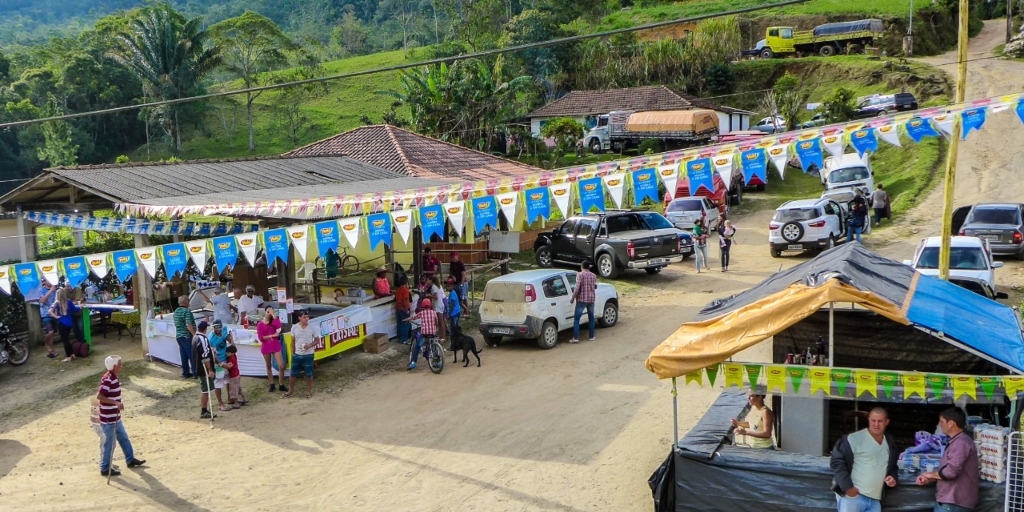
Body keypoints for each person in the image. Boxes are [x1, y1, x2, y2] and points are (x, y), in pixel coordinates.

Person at [830, 407, 898, 512]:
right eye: (873, 420)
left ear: (887, 422)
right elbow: (837, 462)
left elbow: (893, 465)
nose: (876, 424)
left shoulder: (889, 442)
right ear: (868, 420)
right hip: (854, 497)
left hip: (875, 500)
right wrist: (848, 488)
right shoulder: (853, 439)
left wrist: (892, 477)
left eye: (880, 421)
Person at [915, 408, 979, 512]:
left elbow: (950, 472)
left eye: (941, 421)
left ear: (951, 423)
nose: (940, 424)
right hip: (952, 502)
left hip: (954, 502)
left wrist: (929, 475)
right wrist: (931, 478)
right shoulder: (958, 441)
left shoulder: (961, 443)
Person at [96, 355, 146, 477]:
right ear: (114, 366)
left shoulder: (113, 377)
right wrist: (116, 403)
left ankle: (130, 459)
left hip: (114, 417)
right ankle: (105, 467)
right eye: (120, 363)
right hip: (109, 419)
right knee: (109, 444)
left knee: (123, 438)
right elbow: (100, 396)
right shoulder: (109, 379)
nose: (121, 365)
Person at [283, 311, 316, 399]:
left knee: (309, 374)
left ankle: (308, 391)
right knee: (293, 374)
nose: (306, 319)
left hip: (308, 354)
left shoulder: (313, 328)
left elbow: (317, 340)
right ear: (299, 318)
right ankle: (290, 390)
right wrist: (293, 353)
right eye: (304, 317)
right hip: (297, 354)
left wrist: (309, 345)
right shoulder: (294, 328)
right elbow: (292, 341)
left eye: (307, 317)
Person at [192, 321, 220, 419]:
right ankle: (204, 411)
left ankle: (204, 410)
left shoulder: (195, 337)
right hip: (203, 369)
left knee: (205, 390)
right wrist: (210, 370)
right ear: (205, 329)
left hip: (199, 367)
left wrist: (211, 352)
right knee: (206, 390)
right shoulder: (202, 338)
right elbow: (205, 357)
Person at [257, 306, 287, 393]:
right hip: (266, 346)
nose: (269, 314)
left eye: (271, 312)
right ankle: (272, 383)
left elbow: (279, 326)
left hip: (275, 345)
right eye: (268, 312)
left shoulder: (273, 322)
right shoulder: (260, 324)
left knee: (281, 365)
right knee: (268, 365)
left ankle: (281, 384)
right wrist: (272, 336)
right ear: (265, 312)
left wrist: (274, 315)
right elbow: (261, 337)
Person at [403, 298, 438, 371]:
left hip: (424, 334)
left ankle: (413, 363)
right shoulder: (434, 312)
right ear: (430, 305)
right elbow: (436, 322)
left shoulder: (422, 313)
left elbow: (413, 317)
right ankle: (438, 362)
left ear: (422, 305)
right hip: (432, 333)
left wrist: (406, 320)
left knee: (417, 347)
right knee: (433, 345)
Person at [208, 319, 233, 412]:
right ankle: (221, 404)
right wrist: (221, 364)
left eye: (219, 327)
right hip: (218, 362)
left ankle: (230, 398)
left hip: (226, 358)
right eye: (215, 327)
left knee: (228, 380)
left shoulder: (224, 330)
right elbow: (213, 355)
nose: (218, 329)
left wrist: (230, 338)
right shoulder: (211, 338)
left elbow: (229, 340)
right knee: (218, 382)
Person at [570, 261, 598, 344]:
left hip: (581, 300)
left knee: (577, 319)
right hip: (591, 299)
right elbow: (595, 286)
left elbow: (577, 288)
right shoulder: (593, 276)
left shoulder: (580, 275)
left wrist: (572, 298)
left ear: (582, 267)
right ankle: (591, 336)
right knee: (591, 318)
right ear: (588, 267)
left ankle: (576, 337)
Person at [51, 287, 81, 363]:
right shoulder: (69, 302)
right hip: (69, 323)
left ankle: (68, 356)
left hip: (61, 323)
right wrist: (81, 306)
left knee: (65, 341)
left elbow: (50, 311)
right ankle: (72, 354)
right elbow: (75, 309)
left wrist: (56, 316)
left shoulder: (56, 303)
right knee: (67, 340)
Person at [172, 295, 197, 378]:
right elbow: (188, 324)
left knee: (183, 355)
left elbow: (176, 324)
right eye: (188, 301)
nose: (189, 303)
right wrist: (194, 334)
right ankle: (195, 373)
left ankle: (185, 373)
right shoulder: (186, 312)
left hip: (179, 336)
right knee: (191, 355)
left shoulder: (176, 311)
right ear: (185, 302)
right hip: (186, 336)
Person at [39, 281, 58, 358]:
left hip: (53, 314)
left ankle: (51, 351)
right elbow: (43, 300)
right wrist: (51, 290)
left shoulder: (55, 290)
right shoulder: (41, 290)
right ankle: (46, 344)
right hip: (45, 314)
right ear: (44, 281)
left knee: (52, 334)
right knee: (50, 331)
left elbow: (56, 302)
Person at [448, 252, 469, 316]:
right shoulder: (451, 264)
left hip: (462, 283)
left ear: (457, 257)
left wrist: (461, 284)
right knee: (457, 298)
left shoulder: (460, 264)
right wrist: (452, 276)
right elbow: (451, 272)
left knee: (464, 297)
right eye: (452, 257)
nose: (453, 258)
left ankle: (466, 311)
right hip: (455, 283)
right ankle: (466, 309)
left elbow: (463, 274)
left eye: (454, 257)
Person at [394, 274, 412, 344]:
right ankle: (404, 339)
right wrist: (407, 309)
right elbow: (405, 300)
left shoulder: (398, 290)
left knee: (399, 324)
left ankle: (400, 338)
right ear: (406, 282)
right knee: (405, 324)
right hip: (403, 308)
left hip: (398, 308)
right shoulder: (405, 290)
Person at [431, 276, 447, 341]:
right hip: (439, 305)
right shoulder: (438, 286)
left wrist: (430, 295)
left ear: (431, 280)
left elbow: (436, 297)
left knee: (441, 321)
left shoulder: (434, 287)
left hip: (438, 305)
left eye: (428, 280)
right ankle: (441, 335)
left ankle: (444, 336)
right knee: (440, 322)